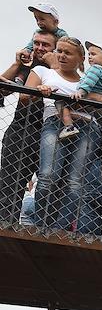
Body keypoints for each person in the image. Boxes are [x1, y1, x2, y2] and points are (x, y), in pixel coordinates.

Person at [23, 37, 91, 230]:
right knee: (47, 175)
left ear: (81, 57)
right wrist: (39, 90)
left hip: (84, 128)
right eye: (59, 51)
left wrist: (90, 97)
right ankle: (42, 225)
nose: (61, 56)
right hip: (53, 123)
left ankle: (58, 229)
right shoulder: (43, 71)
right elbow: (24, 96)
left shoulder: (88, 81)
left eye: (67, 52)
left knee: (75, 182)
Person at [0, 29, 58, 224]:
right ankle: (5, 224)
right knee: (10, 182)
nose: (40, 48)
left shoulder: (61, 69)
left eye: (45, 45)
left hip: (54, 131)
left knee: (50, 185)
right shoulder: (26, 66)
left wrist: (54, 65)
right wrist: (16, 64)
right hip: (22, 128)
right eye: (36, 43)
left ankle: (45, 228)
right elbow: (2, 92)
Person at [58, 41, 102, 142]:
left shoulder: (95, 69)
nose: (89, 56)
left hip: (90, 103)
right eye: (89, 54)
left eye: (93, 54)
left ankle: (69, 127)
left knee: (61, 102)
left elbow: (88, 82)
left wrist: (80, 92)